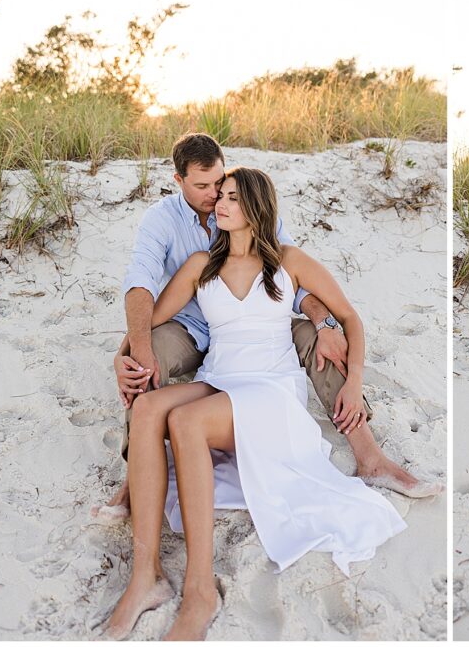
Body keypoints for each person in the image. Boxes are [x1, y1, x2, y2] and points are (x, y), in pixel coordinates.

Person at [104, 166, 408, 640]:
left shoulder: (289, 260)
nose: (218, 205)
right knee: (147, 410)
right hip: (221, 380)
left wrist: (353, 383)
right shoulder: (200, 265)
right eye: (217, 195)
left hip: (271, 391)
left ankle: (200, 590)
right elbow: (147, 324)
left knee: (185, 421)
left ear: (256, 208)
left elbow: (349, 318)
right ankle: (147, 577)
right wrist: (119, 359)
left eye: (230, 198)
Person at [92, 133, 439, 523]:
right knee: (146, 354)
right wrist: (127, 353)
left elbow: (289, 277)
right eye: (203, 187)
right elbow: (140, 287)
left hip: (259, 325)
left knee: (316, 335)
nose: (214, 196)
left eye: (220, 185)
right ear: (178, 181)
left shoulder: (253, 209)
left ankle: (369, 456)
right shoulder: (162, 220)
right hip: (189, 324)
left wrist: (324, 322)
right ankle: (132, 482)